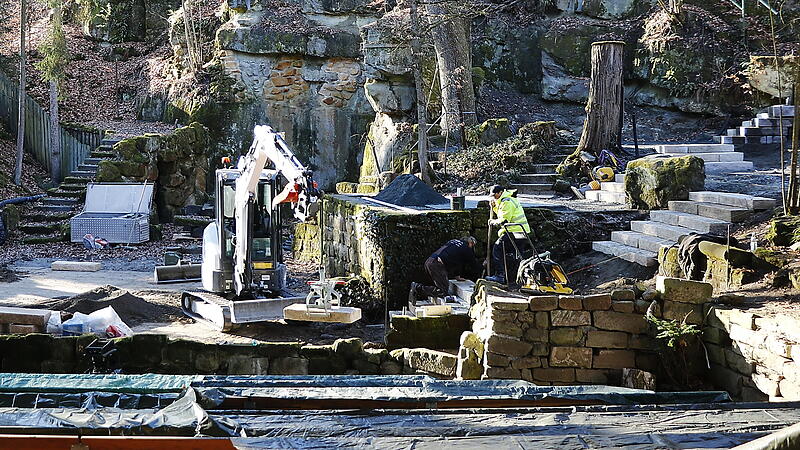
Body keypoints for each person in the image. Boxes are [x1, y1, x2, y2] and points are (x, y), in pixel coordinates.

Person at [410, 236, 481, 302]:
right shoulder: (466, 248)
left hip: (429, 261)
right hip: (436, 264)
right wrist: (482, 266)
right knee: (442, 291)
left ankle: (417, 290)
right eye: (473, 246)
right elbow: (473, 263)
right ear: (471, 243)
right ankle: (417, 287)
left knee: (437, 286)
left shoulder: (454, 242)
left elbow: (458, 261)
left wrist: (457, 277)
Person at [486, 185, 531, 284]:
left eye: (495, 195)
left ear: (501, 192)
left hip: (514, 231)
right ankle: (517, 278)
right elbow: (502, 213)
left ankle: (500, 276)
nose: (494, 197)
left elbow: (504, 220)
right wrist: (494, 207)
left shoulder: (507, 201)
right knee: (517, 255)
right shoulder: (507, 200)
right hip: (520, 231)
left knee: (497, 249)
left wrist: (492, 222)